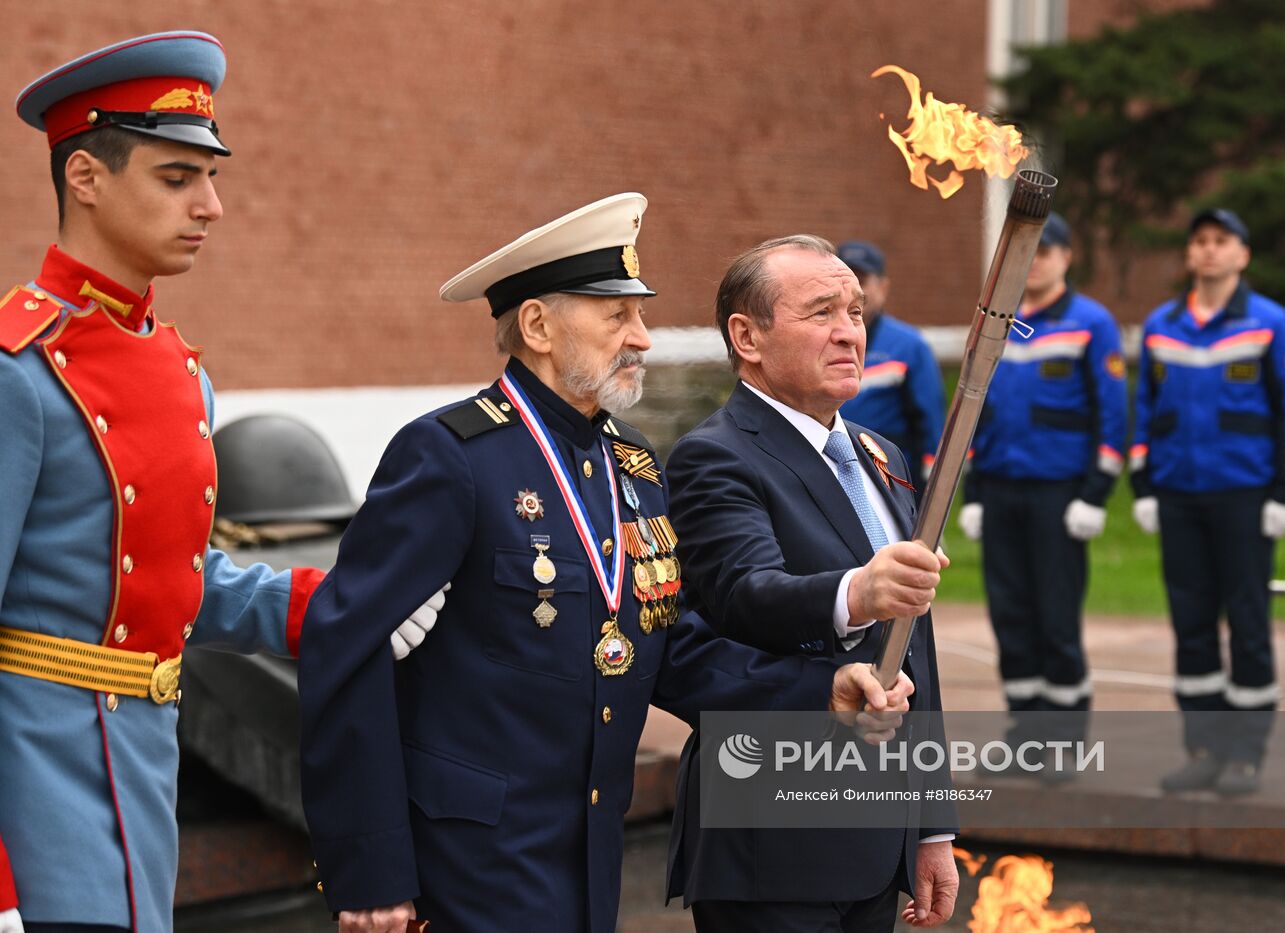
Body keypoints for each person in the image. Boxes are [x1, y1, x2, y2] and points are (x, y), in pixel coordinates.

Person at [297, 195, 918, 933]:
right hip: (464, 857)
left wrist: (821, 692)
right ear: (538, 326)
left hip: (587, 849)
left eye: (640, 315)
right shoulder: (449, 456)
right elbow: (347, 649)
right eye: (617, 316)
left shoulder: (633, 466)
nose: (643, 338)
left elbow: (667, 647)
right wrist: (370, 873)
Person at [0, 33, 435, 933]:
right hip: (34, 804)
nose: (212, 205)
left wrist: (348, 604)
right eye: (176, 178)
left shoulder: (180, 370)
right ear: (84, 176)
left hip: (141, 788)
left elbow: (175, 583)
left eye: (210, 176)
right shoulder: (19, 371)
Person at [665, 234, 959, 931]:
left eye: (855, 311)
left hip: (877, 835)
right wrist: (857, 592)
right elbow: (746, 591)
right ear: (748, 337)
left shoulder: (880, 455)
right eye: (822, 311)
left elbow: (914, 648)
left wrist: (932, 824)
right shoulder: (714, 456)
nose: (850, 331)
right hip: (773, 841)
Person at [1129, 208, 1285, 797]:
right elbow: (1146, 410)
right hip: (1179, 498)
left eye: (1222, 241)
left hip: (1245, 497)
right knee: (1191, 627)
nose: (1209, 250)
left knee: (1248, 624)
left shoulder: (1271, 324)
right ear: (1191, 255)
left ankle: (1246, 753)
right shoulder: (1162, 326)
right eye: (1201, 241)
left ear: (1242, 255)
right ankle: (1205, 749)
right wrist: (1143, 485)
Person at [956, 212, 1128, 772]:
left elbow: (1113, 415)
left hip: (1060, 495)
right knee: (1011, 617)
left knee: (1056, 618)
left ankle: (1065, 741)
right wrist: (974, 494)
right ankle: (1025, 736)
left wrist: (1096, 493)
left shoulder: (1091, 323)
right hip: (1001, 491)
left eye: (1047, 252)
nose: (1036, 262)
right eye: (1030, 253)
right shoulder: (996, 322)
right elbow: (975, 412)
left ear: (1066, 258)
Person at [836, 240, 945, 492]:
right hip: (833, 468)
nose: (852, 289)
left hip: (889, 475)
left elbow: (929, 418)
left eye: (861, 280)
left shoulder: (908, 345)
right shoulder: (822, 339)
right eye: (845, 280)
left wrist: (930, 480)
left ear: (883, 287)